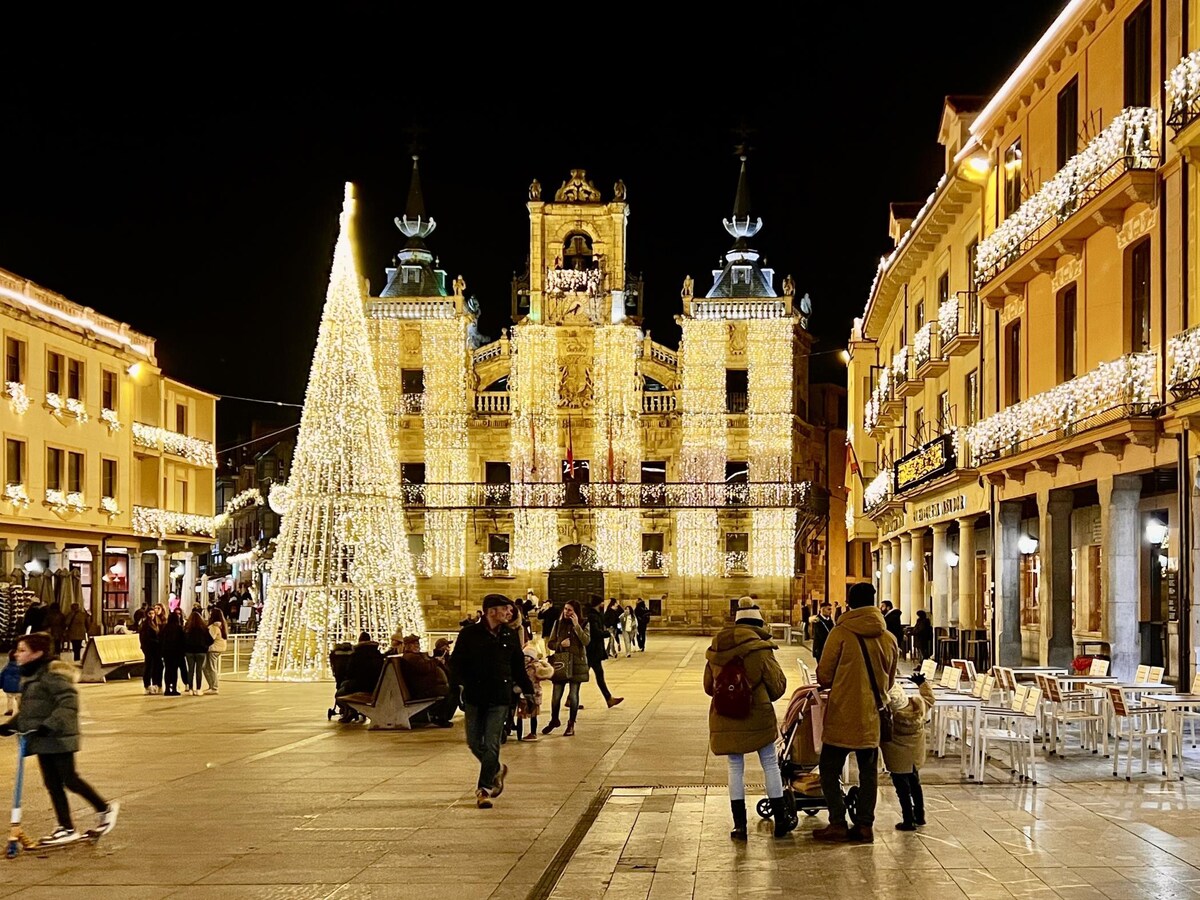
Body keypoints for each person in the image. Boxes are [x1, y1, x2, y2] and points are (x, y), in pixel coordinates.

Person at [0, 632, 119, 845]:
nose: (16, 654)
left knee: (69, 779)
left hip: (58, 736)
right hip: (43, 739)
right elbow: (31, 709)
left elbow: (68, 703)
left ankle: (104, 809)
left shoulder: (53, 674)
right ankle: (66, 826)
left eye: (22, 650)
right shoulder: (34, 673)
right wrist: (11, 726)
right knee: (53, 783)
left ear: (37, 653)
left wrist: (49, 726)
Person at [813, 582, 899, 844]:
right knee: (868, 771)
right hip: (871, 715)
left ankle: (838, 822)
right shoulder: (888, 637)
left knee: (828, 769)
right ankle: (864, 826)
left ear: (849, 603)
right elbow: (890, 681)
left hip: (842, 713)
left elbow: (824, 675)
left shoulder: (840, 633)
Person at [704, 598, 791, 840]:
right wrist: (759, 693)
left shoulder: (716, 648)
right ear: (758, 622)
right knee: (770, 764)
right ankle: (781, 820)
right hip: (758, 715)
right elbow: (778, 685)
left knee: (735, 767)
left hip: (725, 714)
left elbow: (709, 687)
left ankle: (739, 826)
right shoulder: (761, 649)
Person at [449, 595, 533, 808]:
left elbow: (518, 668)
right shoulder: (469, 634)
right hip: (475, 695)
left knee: (492, 743)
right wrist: (458, 684)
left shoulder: (510, 635)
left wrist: (528, 693)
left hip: (499, 697)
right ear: (491, 611)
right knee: (475, 742)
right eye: (506, 609)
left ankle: (484, 789)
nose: (510, 613)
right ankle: (496, 769)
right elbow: (456, 662)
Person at [882, 673, 935, 831]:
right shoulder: (918, 706)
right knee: (915, 784)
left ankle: (908, 819)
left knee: (902, 790)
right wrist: (922, 683)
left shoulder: (891, 718)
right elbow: (929, 698)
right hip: (914, 757)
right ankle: (920, 815)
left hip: (897, 758)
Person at [543, 600, 590, 736]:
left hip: (577, 663)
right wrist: (560, 645)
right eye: (565, 609)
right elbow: (550, 644)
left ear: (576, 612)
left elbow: (586, 641)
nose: (566, 612)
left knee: (574, 695)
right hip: (561, 662)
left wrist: (576, 626)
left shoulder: (585, 623)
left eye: (569, 610)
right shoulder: (558, 624)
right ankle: (554, 719)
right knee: (556, 695)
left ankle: (571, 723)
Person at [585, 596, 623, 711]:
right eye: (602, 602)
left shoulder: (594, 614)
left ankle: (608, 698)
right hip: (593, 650)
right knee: (588, 676)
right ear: (598, 604)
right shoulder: (593, 616)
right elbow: (595, 633)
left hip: (593, 650)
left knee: (594, 675)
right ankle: (608, 698)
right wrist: (607, 633)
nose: (603, 604)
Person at [516, 637, 554, 741]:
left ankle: (533, 733)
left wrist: (544, 664)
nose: (526, 659)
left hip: (532, 694)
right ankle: (520, 734)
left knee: (532, 715)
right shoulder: (520, 667)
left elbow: (547, 673)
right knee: (521, 715)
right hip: (523, 694)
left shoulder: (535, 667)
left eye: (528, 657)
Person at [182, 609, 213, 696]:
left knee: (190, 670)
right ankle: (198, 689)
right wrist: (205, 646)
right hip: (201, 651)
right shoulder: (204, 629)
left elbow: (183, 640)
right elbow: (210, 640)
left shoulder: (187, 628)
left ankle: (190, 689)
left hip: (189, 651)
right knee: (198, 670)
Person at [160, 609, 186, 697]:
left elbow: (161, 640)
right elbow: (183, 641)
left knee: (167, 670)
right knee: (174, 671)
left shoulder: (164, 628)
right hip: (177, 653)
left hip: (167, 653)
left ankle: (167, 688)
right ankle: (174, 688)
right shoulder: (179, 628)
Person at [139, 605, 163, 694]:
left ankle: (157, 684)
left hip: (156, 649)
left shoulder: (156, 623)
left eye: (153, 613)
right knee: (149, 666)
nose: (152, 615)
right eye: (150, 613)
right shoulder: (145, 625)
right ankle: (147, 685)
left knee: (158, 666)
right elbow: (145, 638)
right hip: (149, 649)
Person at [204, 608, 228, 694]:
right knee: (207, 667)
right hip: (219, 648)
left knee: (210, 667)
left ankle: (214, 687)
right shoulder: (222, 625)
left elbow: (210, 638)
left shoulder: (214, 627)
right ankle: (212, 686)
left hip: (213, 649)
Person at [1, 650, 20, 715]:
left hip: (8, 687)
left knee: (9, 699)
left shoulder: (6, 667)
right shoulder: (22, 667)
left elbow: (1, 676)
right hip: (19, 687)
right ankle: (20, 710)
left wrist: (0, 685)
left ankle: (9, 710)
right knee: (19, 699)